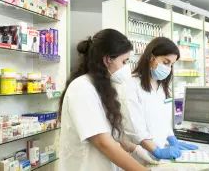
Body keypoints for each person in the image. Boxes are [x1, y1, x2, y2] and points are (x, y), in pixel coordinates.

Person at [58, 29, 148, 171]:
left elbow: (111, 134)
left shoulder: (103, 88)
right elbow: (102, 142)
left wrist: (135, 149)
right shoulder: (82, 88)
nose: (127, 68)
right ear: (108, 59)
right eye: (124, 61)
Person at [126, 37, 198, 160]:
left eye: (171, 64)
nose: (168, 68)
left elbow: (163, 119)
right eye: (166, 62)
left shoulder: (162, 86)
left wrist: (172, 138)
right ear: (151, 57)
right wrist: (157, 151)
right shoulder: (131, 84)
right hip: (139, 155)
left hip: (159, 152)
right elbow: (136, 128)